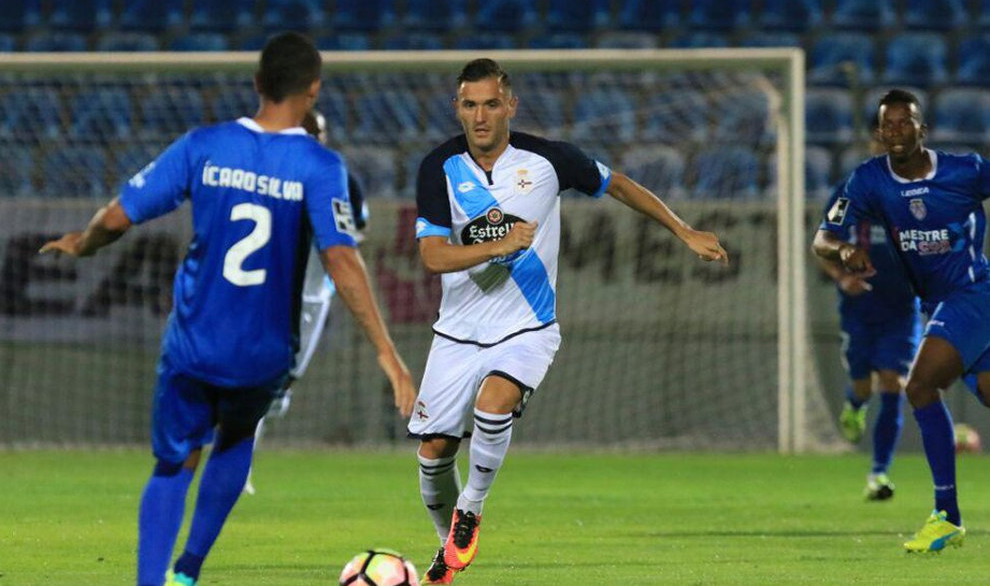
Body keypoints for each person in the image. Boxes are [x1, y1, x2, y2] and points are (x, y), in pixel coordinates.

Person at [39, 32, 416, 586]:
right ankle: (188, 571)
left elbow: (118, 217)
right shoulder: (321, 166)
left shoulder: (205, 145)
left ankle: (153, 582)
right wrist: (387, 352)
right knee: (236, 438)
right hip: (262, 352)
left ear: (257, 83)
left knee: (173, 464)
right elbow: (342, 259)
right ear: (313, 91)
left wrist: (82, 242)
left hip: (195, 341)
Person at [410, 58, 728, 583]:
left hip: (529, 326)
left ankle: (472, 508)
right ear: (457, 109)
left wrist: (683, 229)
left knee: (495, 403)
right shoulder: (437, 167)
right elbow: (433, 257)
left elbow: (620, 184)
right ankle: (448, 550)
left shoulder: (549, 160)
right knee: (432, 455)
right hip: (456, 334)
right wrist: (500, 243)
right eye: (471, 105)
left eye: (492, 104)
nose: (481, 116)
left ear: (510, 105)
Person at [813, 88, 990, 553]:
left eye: (904, 122)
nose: (895, 131)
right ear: (878, 132)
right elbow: (822, 238)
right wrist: (843, 249)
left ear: (921, 129)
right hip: (936, 303)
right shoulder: (869, 181)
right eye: (887, 125)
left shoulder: (965, 170)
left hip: (972, 294)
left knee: (918, 387)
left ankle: (946, 516)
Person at [244, 108, 370, 496]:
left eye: (318, 132)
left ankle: (245, 433)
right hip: (267, 292)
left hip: (314, 299)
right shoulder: (264, 175)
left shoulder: (341, 178)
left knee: (280, 387)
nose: (312, 139)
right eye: (304, 131)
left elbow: (356, 232)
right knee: (256, 382)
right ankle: (236, 468)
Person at [815, 170, 920, 500]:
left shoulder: (919, 196)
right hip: (859, 308)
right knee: (863, 384)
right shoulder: (846, 194)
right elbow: (820, 244)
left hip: (901, 309)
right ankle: (855, 403)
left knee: (892, 382)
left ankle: (878, 472)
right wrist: (840, 277)